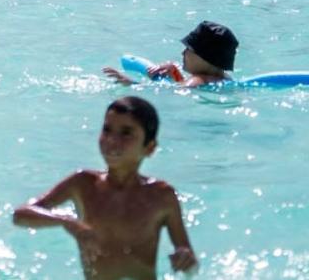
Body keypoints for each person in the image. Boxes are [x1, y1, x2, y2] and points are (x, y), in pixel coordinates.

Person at [13, 97, 197, 279]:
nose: (112, 140)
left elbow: (191, 264)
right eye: (107, 130)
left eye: (126, 133)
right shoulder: (83, 184)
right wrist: (67, 221)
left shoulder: (161, 196)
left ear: (149, 148)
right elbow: (20, 215)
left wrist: (185, 259)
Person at [102, 21, 238, 88]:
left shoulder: (197, 80)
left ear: (204, 57)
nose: (183, 52)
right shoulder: (225, 78)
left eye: (188, 49)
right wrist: (176, 74)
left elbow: (171, 94)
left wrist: (131, 84)